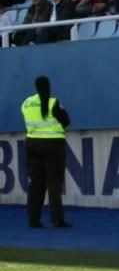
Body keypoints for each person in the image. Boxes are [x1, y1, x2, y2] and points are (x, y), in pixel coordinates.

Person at [22, 76, 72, 229]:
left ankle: (33, 220)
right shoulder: (53, 102)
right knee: (54, 183)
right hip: (53, 144)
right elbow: (66, 120)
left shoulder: (27, 103)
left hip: (32, 143)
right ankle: (56, 220)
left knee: (36, 184)